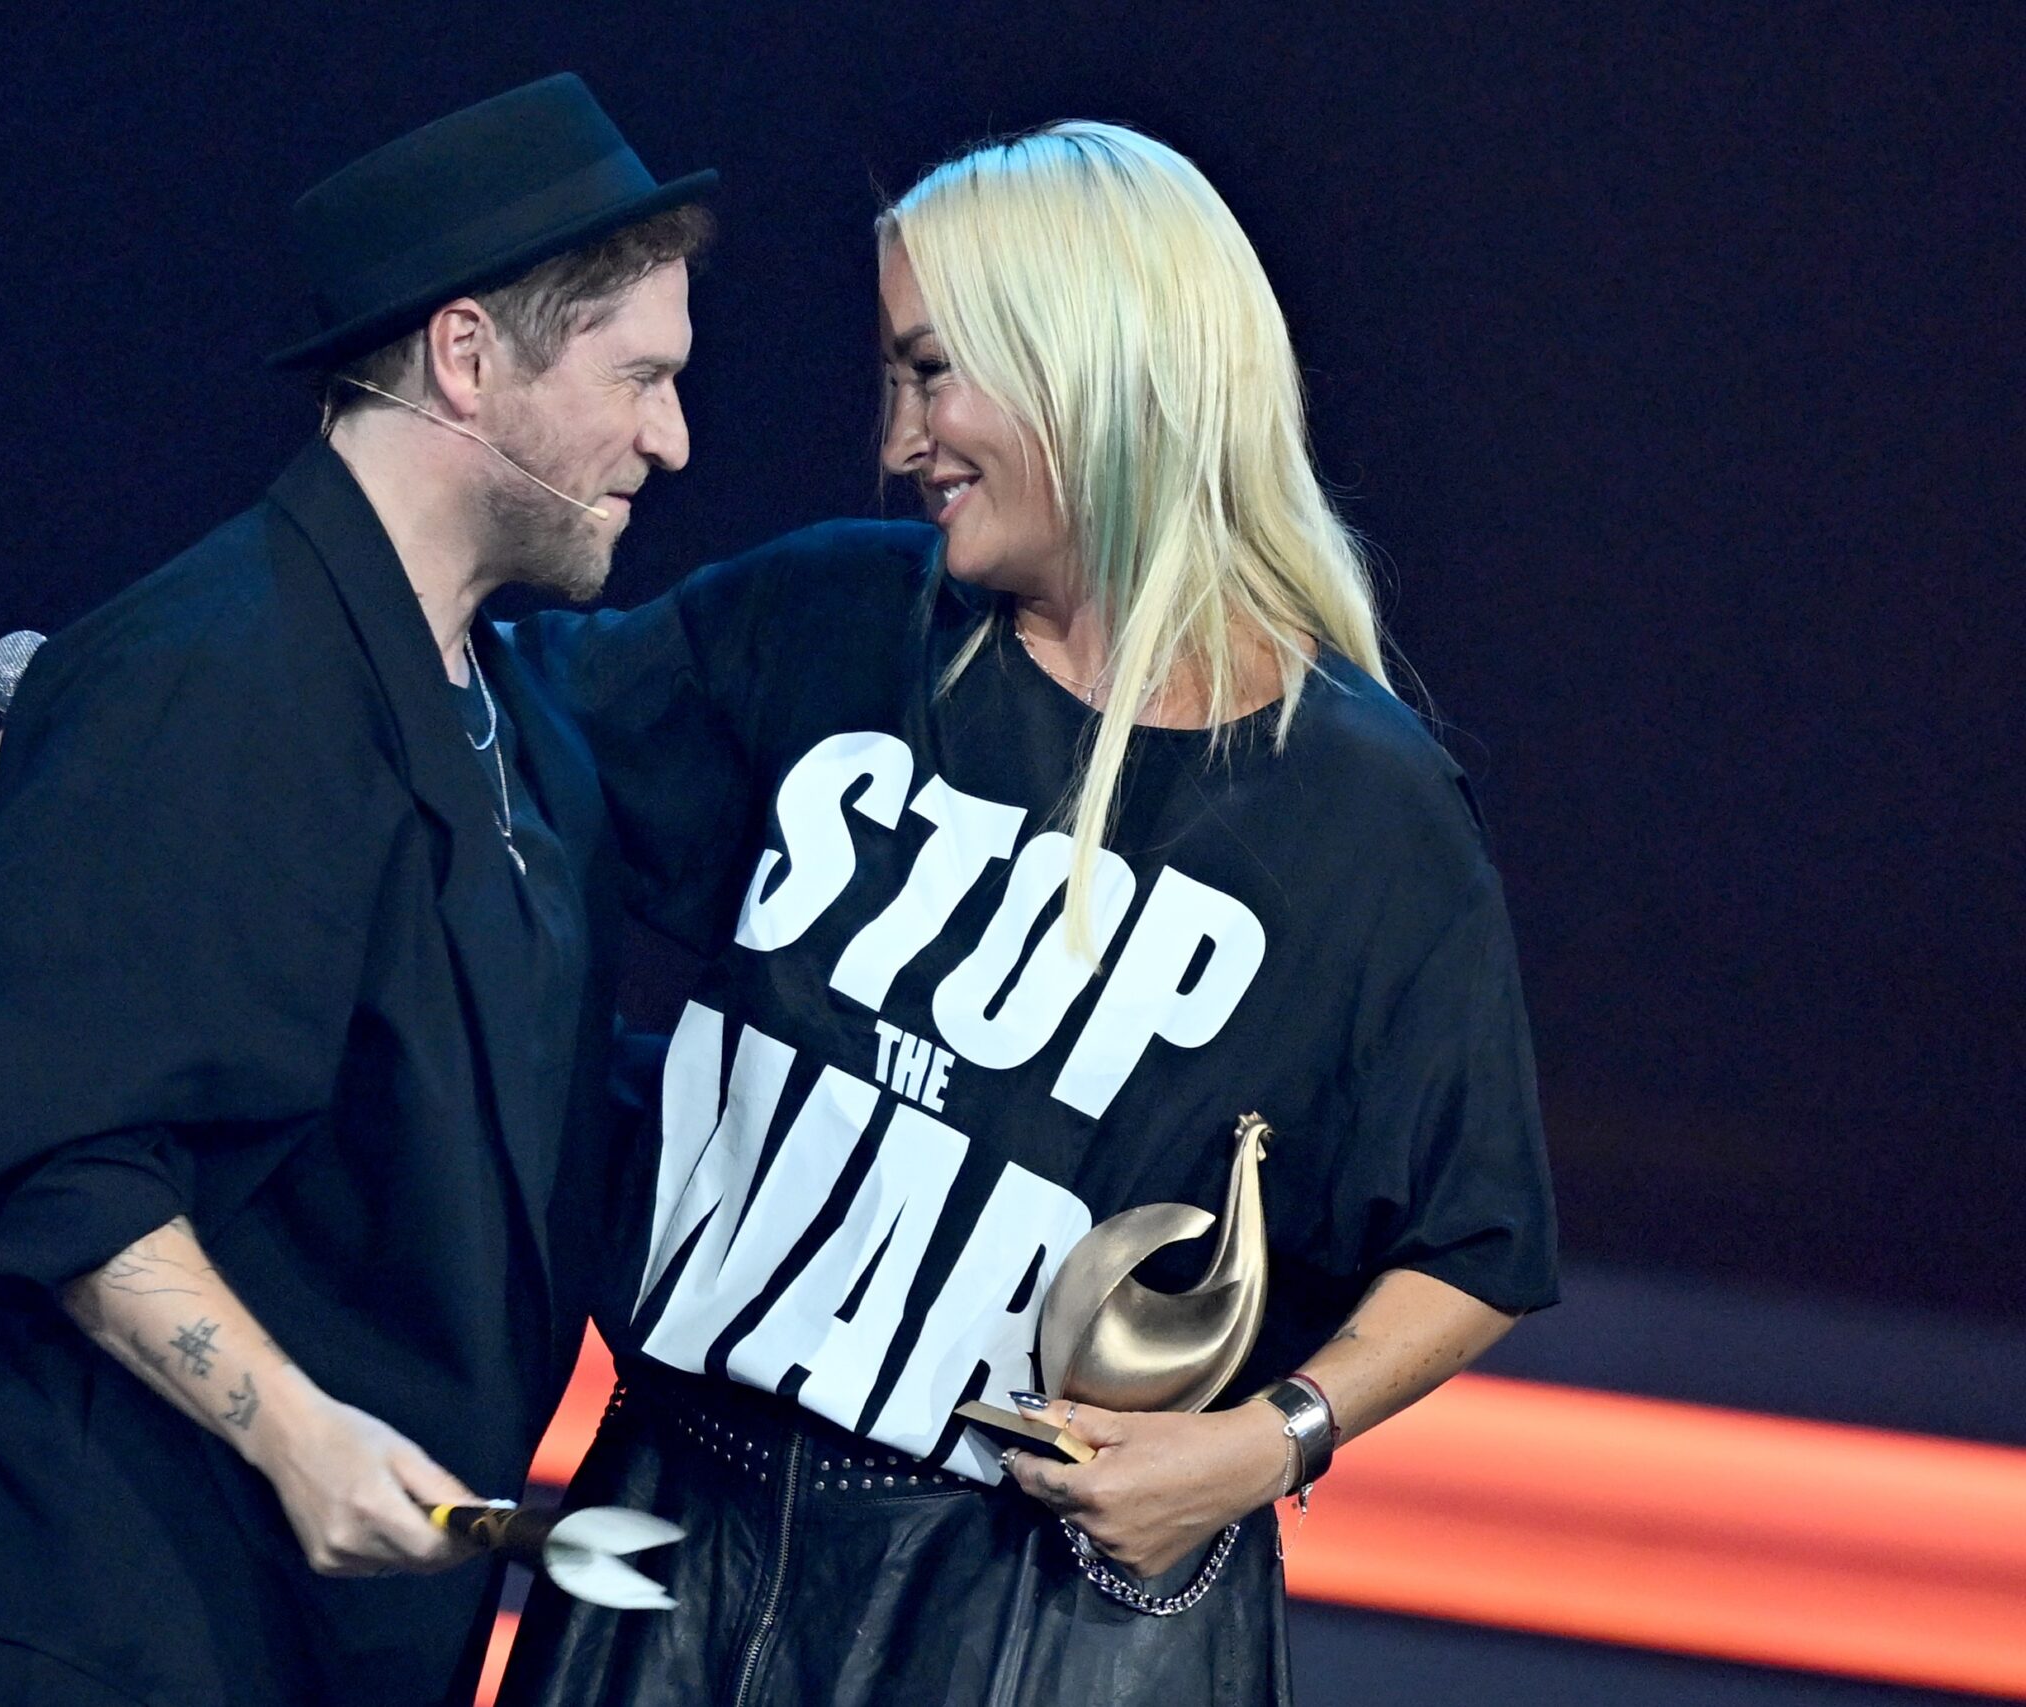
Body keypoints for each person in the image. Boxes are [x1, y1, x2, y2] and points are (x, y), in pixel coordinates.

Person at [497, 122, 1559, 1705]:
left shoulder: (1360, 811)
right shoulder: (835, 621)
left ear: (1092, 367)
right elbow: (487, 731)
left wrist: (1262, 1449)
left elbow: (1474, 1241)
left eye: (934, 373)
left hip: (1031, 1607)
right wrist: (152, 710)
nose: (901, 438)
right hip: (675, 1531)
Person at [0, 75, 712, 1707]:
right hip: (85, 1612)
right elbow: (54, 1155)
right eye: (637, 376)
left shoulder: (521, 732)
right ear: (465, 357)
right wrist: (298, 1436)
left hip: (305, 1646)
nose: (671, 436)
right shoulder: (204, 669)